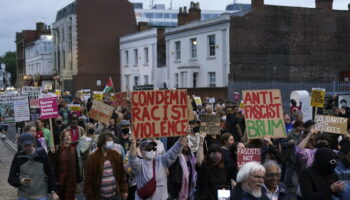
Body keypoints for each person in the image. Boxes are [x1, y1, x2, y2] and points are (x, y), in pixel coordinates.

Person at [128, 134, 187, 200]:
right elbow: (132, 159)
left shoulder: (161, 160)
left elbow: (175, 151)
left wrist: (183, 136)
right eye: (148, 148)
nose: (151, 150)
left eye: (153, 148)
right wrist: (133, 143)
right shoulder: (139, 164)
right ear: (141, 151)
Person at [8, 133, 59, 200]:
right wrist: (20, 181)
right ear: (21, 145)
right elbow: (11, 178)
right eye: (25, 145)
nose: (27, 147)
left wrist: (53, 191)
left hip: (41, 194)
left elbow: (50, 173)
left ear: (33, 143)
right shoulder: (18, 156)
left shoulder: (42, 154)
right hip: (24, 195)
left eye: (29, 145)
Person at [84, 132, 128, 200]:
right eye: (108, 140)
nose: (111, 142)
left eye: (111, 140)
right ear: (102, 141)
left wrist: (124, 190)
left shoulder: (116, 155)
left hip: (115, 195)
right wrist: (89, 196)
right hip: (99, 196)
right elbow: (88, 179)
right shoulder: (93, 158)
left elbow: (121, 174)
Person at [196, 134, 237, 200]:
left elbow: (232, 178)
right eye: (214, 153)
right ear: (209, 155)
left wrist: (232, 180)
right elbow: (199, 161)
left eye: (219, 153)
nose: (217, 155)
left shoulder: (226, 167)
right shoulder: (205, 167)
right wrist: (201, 143)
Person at [55, 130, 82, 200]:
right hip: (61, 180)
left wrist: (78, 180)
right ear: (62, 138)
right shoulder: (59, 149)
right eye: (65, 135)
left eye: (69, 135)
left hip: (71, 179)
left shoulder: (73, 150)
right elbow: (55, 165)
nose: (67, 137)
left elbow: (77, 165)